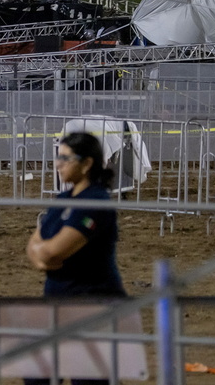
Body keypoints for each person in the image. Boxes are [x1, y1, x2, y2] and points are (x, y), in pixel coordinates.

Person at [25, 132, 125, 385]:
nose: (58, 164)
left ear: (87, 163)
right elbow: (35, 246)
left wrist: (44, 255)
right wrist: (43, 256)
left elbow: (53, 251)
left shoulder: (96, 202)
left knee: (88, 379)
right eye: (58, 157)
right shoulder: (63, 200)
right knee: (37, 374)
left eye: (66, 158)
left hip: (92, 305)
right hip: (58, 302)